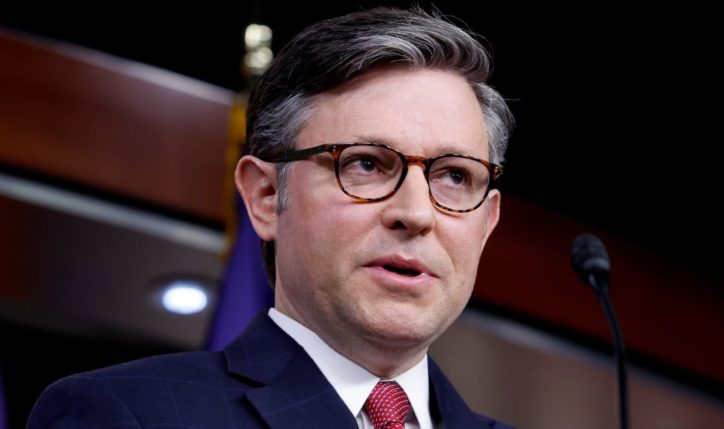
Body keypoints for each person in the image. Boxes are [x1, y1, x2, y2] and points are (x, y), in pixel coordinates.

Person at [27, 7, 514, 429]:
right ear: (264, 196)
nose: (415, 213)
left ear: (487, 222)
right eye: (365, 164)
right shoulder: (126, 414)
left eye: (454, 176)